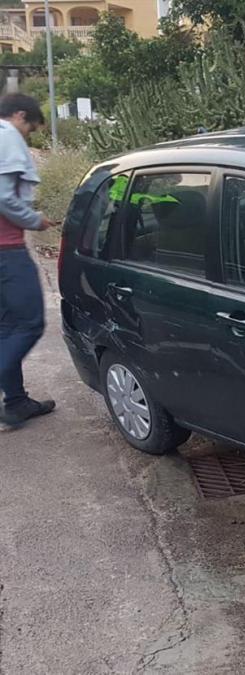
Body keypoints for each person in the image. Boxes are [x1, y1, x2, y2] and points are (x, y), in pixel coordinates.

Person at [0, 93, 55, 430]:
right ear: (20, 115)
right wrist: (35, 220)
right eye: (30, 130)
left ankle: (17, 402)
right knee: (31, 322)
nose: (28, 136)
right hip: (5, 251)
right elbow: (3, 196)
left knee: (7, 327)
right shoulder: (6, 135)